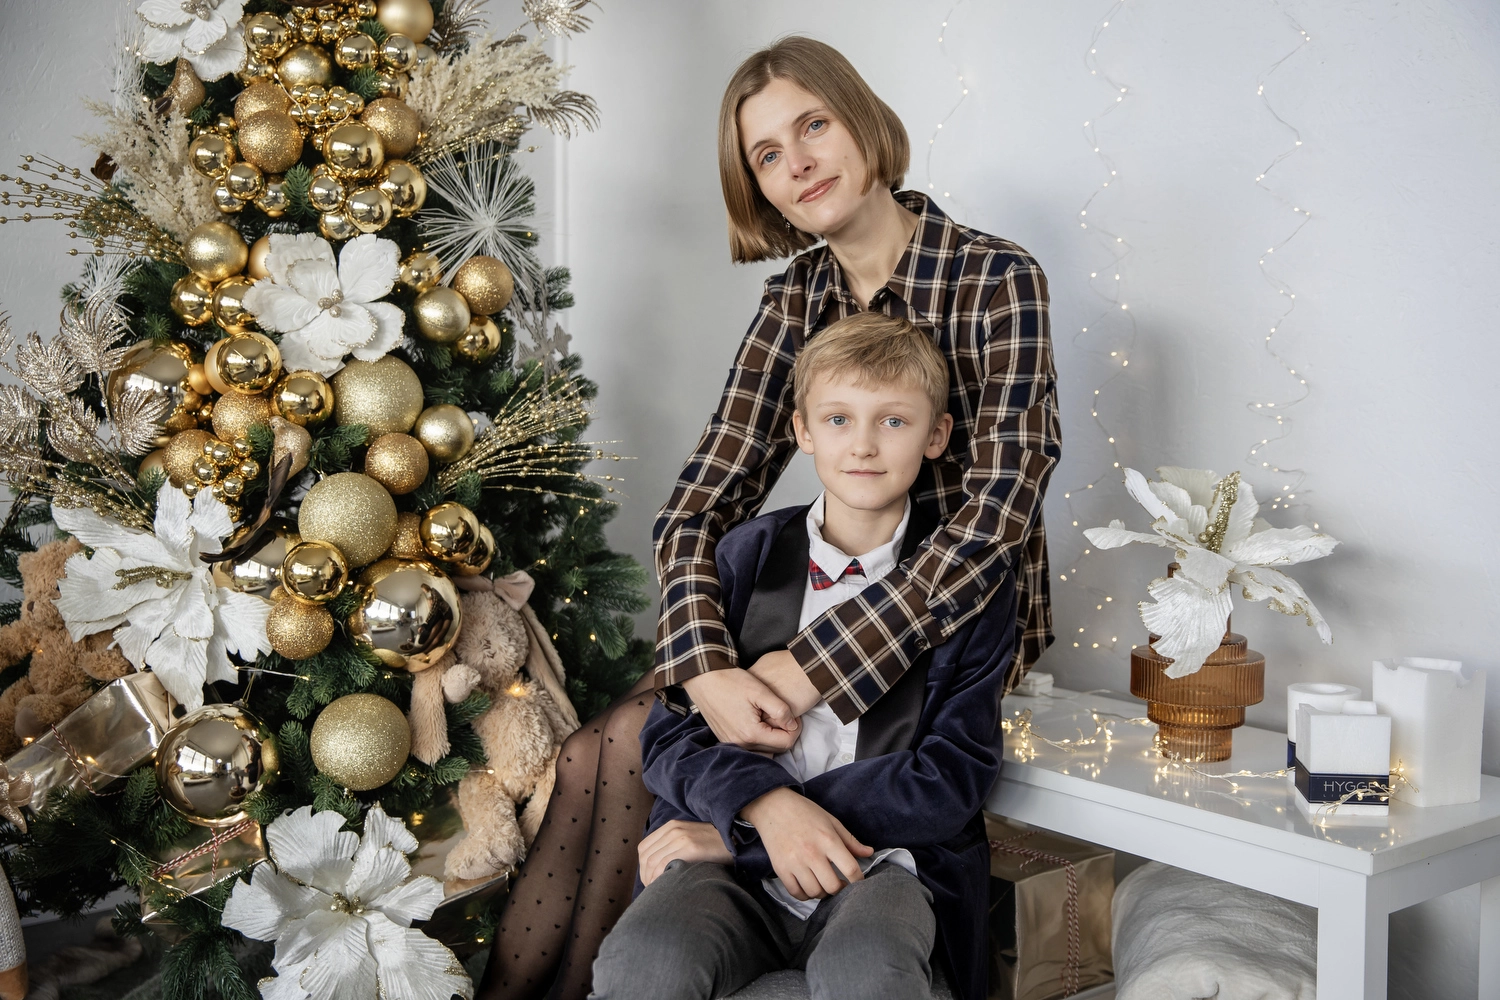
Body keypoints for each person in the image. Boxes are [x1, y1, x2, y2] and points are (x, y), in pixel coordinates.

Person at [479, 35, 1058, 1000]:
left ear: (861, 121)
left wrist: (808, 666)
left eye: (814, 126)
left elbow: (997, 515)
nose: (799, 163)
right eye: (767, 155)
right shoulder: (795, 298)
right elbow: (699, 504)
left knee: (622, 748)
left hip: (949, 626)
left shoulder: (996, 278)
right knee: (597, 751)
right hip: (805, 599)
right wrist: (707, 667)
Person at [591, 312, 1016, 1000]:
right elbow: (670, 738)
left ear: (936, 436)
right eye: (839, 419)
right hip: (727, 873)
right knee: (642, 962)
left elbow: (951, 777)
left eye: (894, 421)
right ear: (803, 431)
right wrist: (761, 812)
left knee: (867, 973)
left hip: (885, 865)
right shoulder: (743, 555)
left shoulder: (970, 586)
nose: (864, 445)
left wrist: (749, 832)